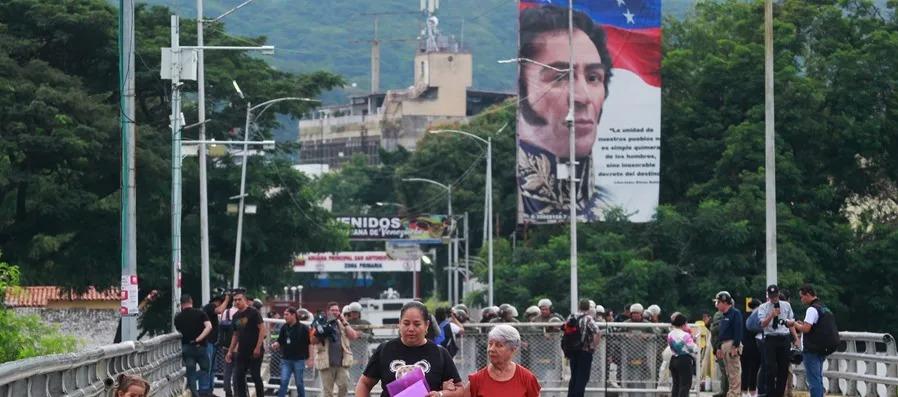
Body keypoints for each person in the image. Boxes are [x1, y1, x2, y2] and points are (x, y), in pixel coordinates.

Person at [516, 4, 614, 221]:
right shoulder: (512, 197)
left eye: (593, 78)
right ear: (521, 87)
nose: (583, 97)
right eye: (560, 77)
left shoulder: (614, 207)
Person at [355, 301, 462, 397]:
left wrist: (440, 394)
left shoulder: (440, 353)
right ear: (399, 324)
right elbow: (364, 383)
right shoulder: (385, 350)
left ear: (427, 325)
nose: (411, 329)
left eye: (417, 324)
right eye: (406, 323)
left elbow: (460, 389)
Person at [442, 324, 541, 397]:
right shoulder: (476, 381)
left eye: (499, 345)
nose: (491, 349)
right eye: (490, 344)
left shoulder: (527, 379)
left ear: (513, 349)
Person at [787, 285, 833, 397]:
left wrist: (794, 324)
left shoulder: (811, 309)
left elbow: (806, 329)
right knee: (818, 378)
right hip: (822, 348)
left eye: (801, 297)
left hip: (811, 349)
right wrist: (802, 324)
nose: (801, 299)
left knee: (813, 380)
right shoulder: (823, 307)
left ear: (807, 295)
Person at [755, 285, 797, 397]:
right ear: (768, 296)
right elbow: (762, 324)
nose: (773, 298)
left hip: (783, 337)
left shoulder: (786, 305)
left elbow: (792, 319)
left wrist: (791, 325)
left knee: (783, 368)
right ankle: (770, 392)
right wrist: (771, 315)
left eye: (775, 296)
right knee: (771, 367)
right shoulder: (763, 307)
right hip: (770, 338)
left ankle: (779, 393)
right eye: (771, 296)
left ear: (778, 294)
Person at [312, 302, 360, 397]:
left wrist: (344, 321)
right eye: (332, 310)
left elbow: (353, 336)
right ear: (327, 311)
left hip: (341, 363)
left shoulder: (341, 324)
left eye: (337, 310)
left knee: (344, 386)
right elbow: (313, 341)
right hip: (326, 363)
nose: (335, 312)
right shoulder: (321, 323)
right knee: (327, 391)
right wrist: (321, 333)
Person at [225, 291, 267, 397]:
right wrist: (230, 351)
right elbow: (235, 335)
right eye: (235, 300)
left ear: (245, 300)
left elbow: (262, 330)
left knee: (255, 376)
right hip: (242, 351)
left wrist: (258, 347)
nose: (237, 302)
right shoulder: (236, 316)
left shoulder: (253, 312)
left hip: (255, 350)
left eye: (239, 299)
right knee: (239, 376)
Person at [174, 294, 212, 397]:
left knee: (190, 371)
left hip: (186, 347)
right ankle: (194, 381)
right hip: (200, 346)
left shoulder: (178, 317)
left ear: (181, 304)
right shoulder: (200, 313)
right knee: (205, 369)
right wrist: (199, 338)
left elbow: (178, 331)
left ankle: (194, 393)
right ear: (191, 302)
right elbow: (209, 327)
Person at [273, 307, 313, 397]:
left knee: (299, 383)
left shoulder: (303, 328)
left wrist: (311, 358)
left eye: (287, 314)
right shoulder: (284, 327)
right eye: (284, 315)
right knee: (284, 381)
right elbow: (280, 340)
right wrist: (276, 344)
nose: (284, 316)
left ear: (293, 315)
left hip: (299, 360)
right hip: (286, 360)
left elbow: (310, 344)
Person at [566, 298, 600, 397]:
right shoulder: (588, 319)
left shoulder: (571, 317)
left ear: (579, 306)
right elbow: (597, 332)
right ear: (588, 307)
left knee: (574, 376)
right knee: (582, 377)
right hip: (585, 351)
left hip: (572, 351)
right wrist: (594, 346)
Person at [200, 292, 230, 396]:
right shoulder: (210, 306)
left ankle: (209, 390)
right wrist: (227, 299)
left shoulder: (210, 310)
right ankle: (204, 391)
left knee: (212, 368)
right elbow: (220, 310)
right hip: (208, 342)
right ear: (218, 301)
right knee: (208, 367)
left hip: (213, 342)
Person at [715, 291, 744, 397]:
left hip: (731, 344)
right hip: (724, 344)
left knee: (734, 372)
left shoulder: (735, 313)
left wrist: (735, 346)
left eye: (718, 302)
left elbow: (738, 330)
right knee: (728, 372)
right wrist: (718, 347)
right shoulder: (724, 315)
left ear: (724, 302)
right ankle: (731, 393)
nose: (717, 305)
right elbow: (721, 333)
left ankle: (734, 394)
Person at [667, 312, 699, 397]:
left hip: (673, 359)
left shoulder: (670, 334)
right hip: (684, 360)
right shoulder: (685, 335)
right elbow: (693, 348)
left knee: (676, 384)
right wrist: (694, 341)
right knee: (685, 385)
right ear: (683, 324)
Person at [742, 298, 762, 397]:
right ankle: (753, 390)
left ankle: (744, 390)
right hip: (755, 346)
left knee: (745, 369)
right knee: (754, 369)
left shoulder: (744, 315)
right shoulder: (758, 316)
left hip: (744, 345)